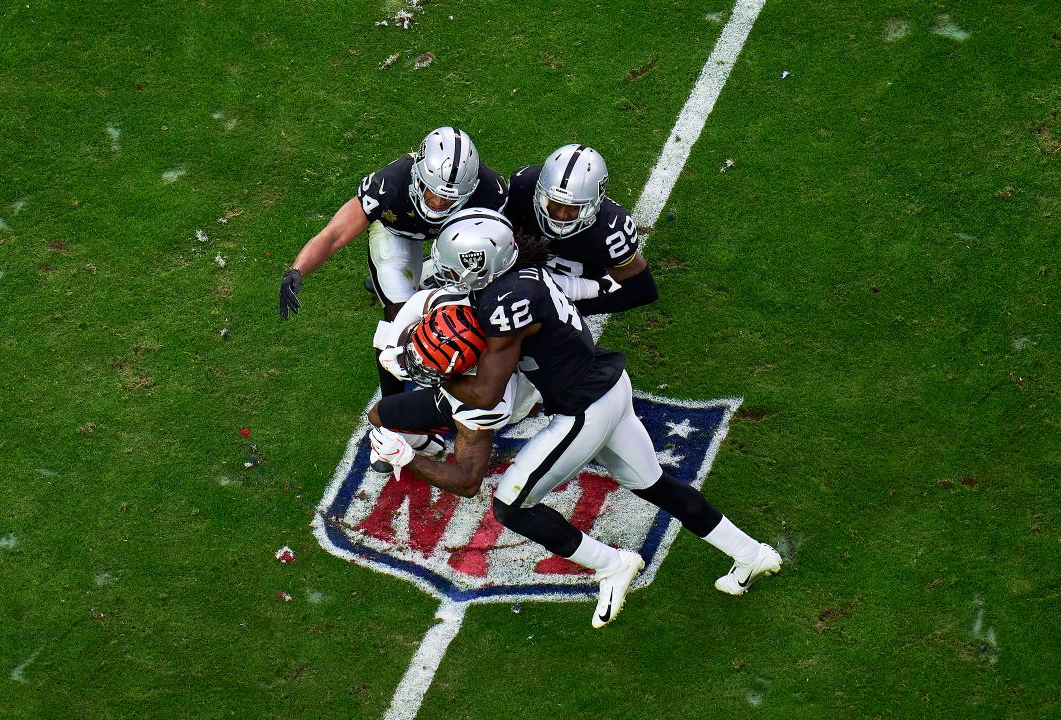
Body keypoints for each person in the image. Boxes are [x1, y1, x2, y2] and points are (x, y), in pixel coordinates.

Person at [368, 208, 779, 628]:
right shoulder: (520, 273)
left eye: (457, 267)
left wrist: (428, 371)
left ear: (482, 264)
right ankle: (752, 554)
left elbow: (487, 392)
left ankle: (611, 564)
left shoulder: (504, 303)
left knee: (511, 506)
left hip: (584, 409)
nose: (449, 276)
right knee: (653, 484)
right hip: (610, 384)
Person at [279, 127, 508, 399]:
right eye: (431, 192)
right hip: (397, 233)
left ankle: (426, 274)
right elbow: (335, 235)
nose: (437, 202)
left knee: (474, 302)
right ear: (417, 175)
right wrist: (297, 268)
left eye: (449, 198)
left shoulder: (492, 192)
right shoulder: (390, 184)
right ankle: (391, 409)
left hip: (457, 241)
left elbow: (503, 250)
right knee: (399, 320)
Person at [503, 144, 658, 316]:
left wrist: (571, 309)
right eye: (554, 203)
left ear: (594, 203)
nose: (561, 215)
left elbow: (643, 290)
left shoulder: (610, 231)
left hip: (576, 289)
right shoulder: (522, 187)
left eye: (573, 208)